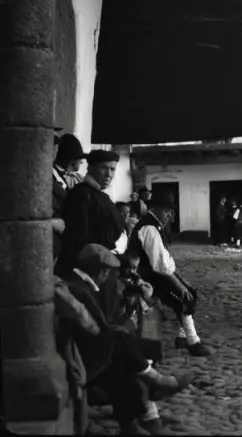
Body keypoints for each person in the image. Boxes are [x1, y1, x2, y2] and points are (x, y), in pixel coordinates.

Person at [61, 244, 193, 434]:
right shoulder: (83, 289)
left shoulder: (82, 284)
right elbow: (99, 327)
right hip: (79, 356)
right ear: (101, 271)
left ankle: (136, 421)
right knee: (125, 347)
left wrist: (139, 300)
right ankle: (152, 399)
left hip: (81, 350)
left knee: (129, 357)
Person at [128, 191, 212, 356]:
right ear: (156, 209)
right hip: (146, 277)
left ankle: (182, 338)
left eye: (171, 212)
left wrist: (181, 280)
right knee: (185, 298)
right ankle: (193, 342)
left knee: (190, 294)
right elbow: (159, 264)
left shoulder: (155, 225)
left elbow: (164, 261)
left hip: (155, 272)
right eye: (167, 211)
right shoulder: (149, 228)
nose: (170, 216)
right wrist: (179, 285)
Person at [58, 150, 128, 276]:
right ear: (90, 168)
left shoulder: (101, 196)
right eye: (104, 168)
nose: (109, 174)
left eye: (112, 169)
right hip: (96, 270)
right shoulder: (81, 195)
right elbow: (81, 239)